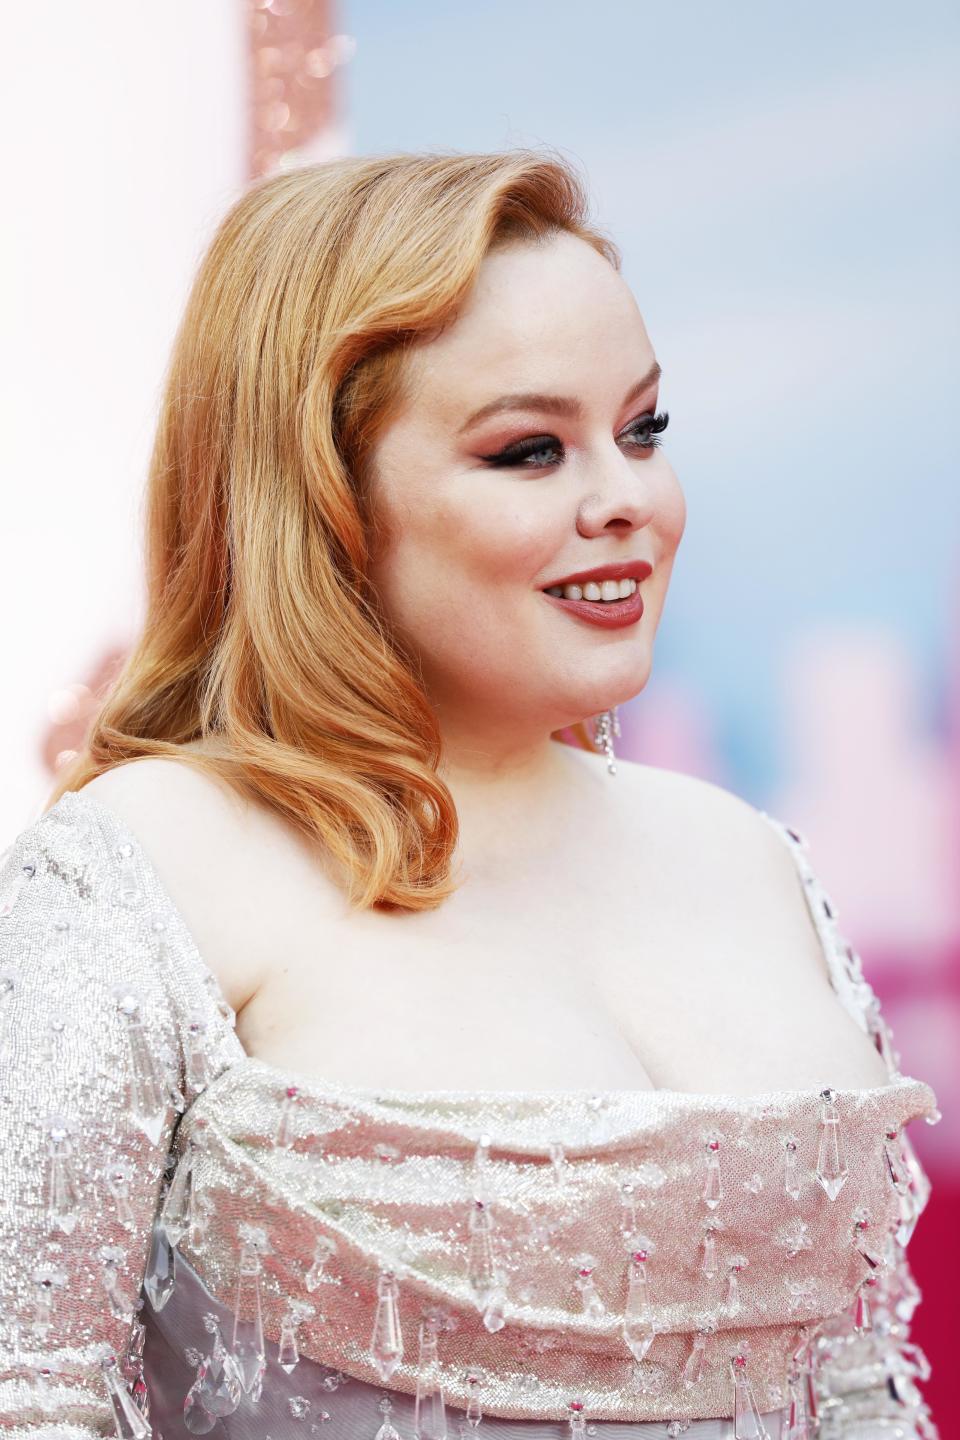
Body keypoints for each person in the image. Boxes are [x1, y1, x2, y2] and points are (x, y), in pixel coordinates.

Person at [0, 150, 939, 1440]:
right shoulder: (142, 864)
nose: (628, 502)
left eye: (644, 430)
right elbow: (29, 1396)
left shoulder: (744, 856)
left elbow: (852, 1391)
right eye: (531, 450)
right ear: (321, 495)